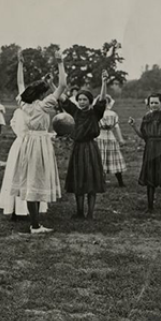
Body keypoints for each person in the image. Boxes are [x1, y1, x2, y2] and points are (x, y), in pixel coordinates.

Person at [10, 58, 68, 234]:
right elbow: (63, 85)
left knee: (31, 182)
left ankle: (35, 224)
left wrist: (20, 64)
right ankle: (35, 225)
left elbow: (20, 82)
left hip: (28, 143)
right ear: (42, 94)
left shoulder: (24, 104)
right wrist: (60, 62)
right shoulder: (44, 105)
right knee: (35, 180)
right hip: (39, 145)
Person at [60, 73, 108, 219]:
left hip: (90, 148)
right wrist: (51, 85)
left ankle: (90, 213)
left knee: (91, 181)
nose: (81, 102)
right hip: (78, 148)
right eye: (79, 99)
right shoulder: (74, 111)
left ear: (90, 101)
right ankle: (80, 211)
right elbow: (61, 97)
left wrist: (104, 82)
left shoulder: (95, 112)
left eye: (84, 99)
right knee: (78, 180)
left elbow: (103, 99)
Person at [0, 94, 49, 219]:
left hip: (22, 143)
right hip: (27, 144)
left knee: (26, 175)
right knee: (22, 175)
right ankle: (19, 208)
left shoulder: (23, 112)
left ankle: (21, 208)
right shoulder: (28, 112)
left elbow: (14, 124)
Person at [96, 95, 126, 187]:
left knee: (101, 159)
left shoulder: (98, 113)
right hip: (111, 137)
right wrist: (120, 138)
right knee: (115, 159)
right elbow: (116, 127)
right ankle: (120, 182)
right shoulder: (113, 114)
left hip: (100, 137)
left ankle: (101, 181)